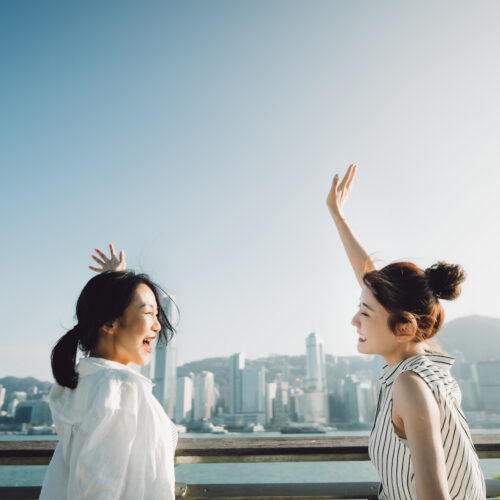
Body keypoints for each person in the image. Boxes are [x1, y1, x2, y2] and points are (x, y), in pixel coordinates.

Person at [327, 166, 486, 500]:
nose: (354, 321)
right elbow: (374, 284)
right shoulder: (424, 360)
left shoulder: (410, 385)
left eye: (365, 313)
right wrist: (338, 218)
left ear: (404, 329)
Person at [40, 244, 178, 500]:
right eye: (148, 313)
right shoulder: (117, 387)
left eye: (157, 314)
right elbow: (97, 488)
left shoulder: (88, 383)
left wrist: (120, 281)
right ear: (109, 322)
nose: (158, 325)